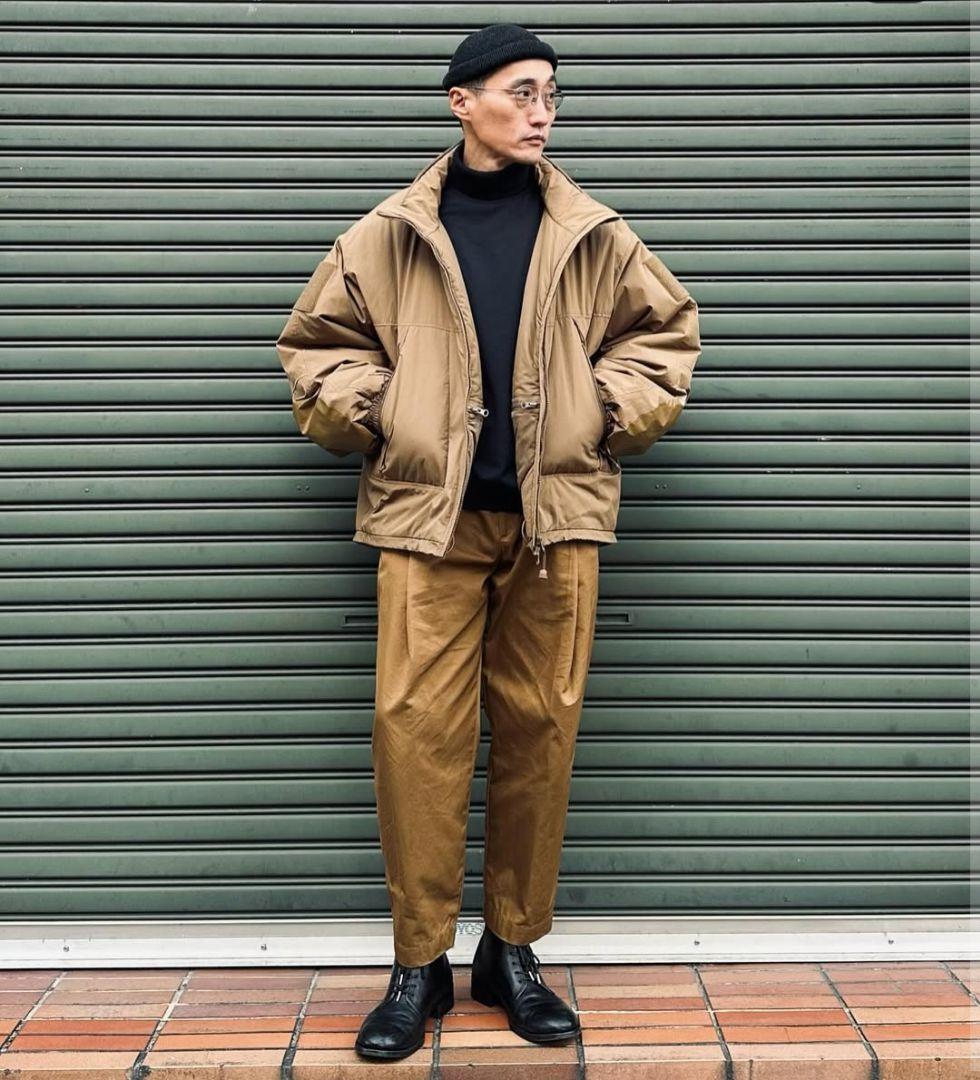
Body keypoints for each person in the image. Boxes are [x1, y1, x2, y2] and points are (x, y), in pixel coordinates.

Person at [275, 22, 701, 1062]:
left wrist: (601, 411)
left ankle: (511, 953)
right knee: (413, 737)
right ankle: (417, 965)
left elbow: (664, 336)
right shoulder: (388, 234)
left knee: (540, 735)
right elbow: (316, 346)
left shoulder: (593, 233)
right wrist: (388, 414)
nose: (541, 111)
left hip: (555, 522)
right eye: (520, 91)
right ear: (460, 101)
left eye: (551, 92)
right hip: (429, 524)